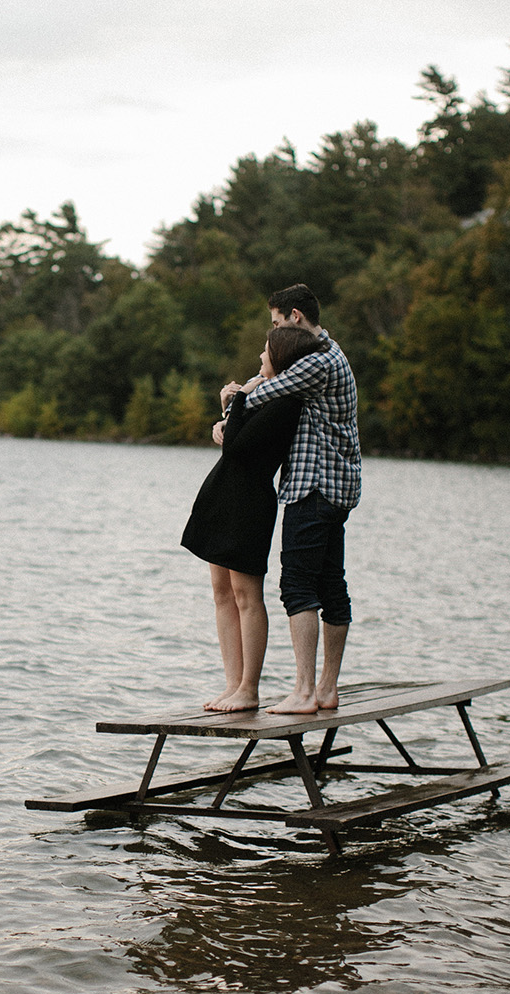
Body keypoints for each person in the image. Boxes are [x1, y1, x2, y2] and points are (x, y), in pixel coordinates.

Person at [218, 283, 362, 714]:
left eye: (277, 323)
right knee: (331, 584)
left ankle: (303, 691)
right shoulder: (332, 354)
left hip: (314, 487)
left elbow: (261, 392)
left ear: (295, 317)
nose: (275, 334)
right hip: (338, 488)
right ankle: (325, 689)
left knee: (298, 587)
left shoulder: (316, 362)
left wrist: (233, 395)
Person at [181, 326, 330, 712]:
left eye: (265, 353)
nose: (259, 359)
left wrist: (237, 402)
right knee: (221, 592)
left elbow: (240, 445)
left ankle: (249, 688)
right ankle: (232, 684)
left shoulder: (285, 400)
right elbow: (232, 438)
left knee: (247, 595)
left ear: (279, 359)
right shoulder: (259, 393)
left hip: (250, 500)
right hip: (222, 493)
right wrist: (230, 408)